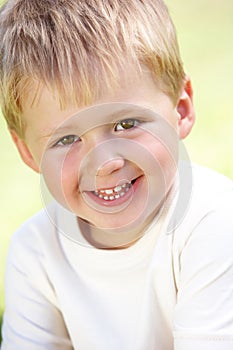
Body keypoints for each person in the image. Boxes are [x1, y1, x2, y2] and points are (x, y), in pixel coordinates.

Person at [0, 0, 233, 349]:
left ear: (181, 109)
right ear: (28, 153)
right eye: (67, 139)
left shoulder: (212, 221)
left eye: (126, 124)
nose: (105, 162)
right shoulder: (35, 251)